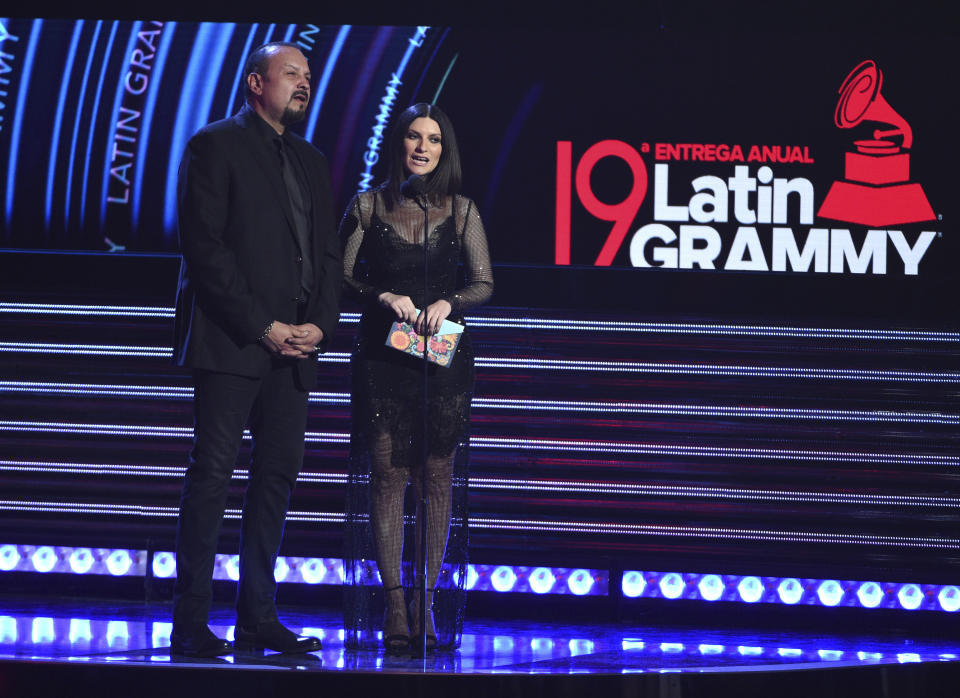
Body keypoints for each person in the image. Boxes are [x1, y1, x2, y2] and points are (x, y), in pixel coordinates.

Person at [170, 41, 341, 657]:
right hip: (232, 344)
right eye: (291, 73)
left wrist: (320, 325)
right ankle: (190, 622)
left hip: (296, 353)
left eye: (308, 77)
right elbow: (205, 251)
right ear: (254, 82)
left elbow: (326, 257)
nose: (303, 83)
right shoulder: (214, 145)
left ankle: (257, 616)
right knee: (213, 476)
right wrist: (263, 325)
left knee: (276, 480)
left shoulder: (313, 161)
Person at [340, 103, 493, 652]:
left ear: (444, 150)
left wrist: (449, 302)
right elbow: (339, 277)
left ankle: (427, 606)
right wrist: (383, 295)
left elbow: (483, 283)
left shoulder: (462, 211)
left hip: (443, 362)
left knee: (435, 479)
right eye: (413, 136)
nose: (422, 147)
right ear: (398, 143)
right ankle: (396, 608)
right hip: (383, 360)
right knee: (387, 478)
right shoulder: (366, 205)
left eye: (433, 139)